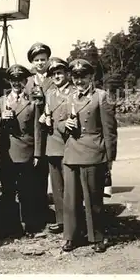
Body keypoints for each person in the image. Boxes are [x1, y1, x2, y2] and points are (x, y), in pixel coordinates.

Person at [57, 59, 117, 253]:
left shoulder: (101, 97)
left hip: (93, 152)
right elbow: (58, 124)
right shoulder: (68, 98)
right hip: (72, 152)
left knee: (93, 199)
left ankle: (98, 236)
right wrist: (64, 125)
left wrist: (109, 158)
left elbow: (110, 130)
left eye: (83, 76)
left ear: (91, 76)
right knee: (70, 200)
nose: (79, 80)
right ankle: (71, 237)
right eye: (75, 77)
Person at [0, 64, 44, 238]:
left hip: (27, 151)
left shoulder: (33, 102)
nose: (17, 83)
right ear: (9, 81)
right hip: (7, 152)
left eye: (20, 80)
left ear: (25, 81)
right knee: (8, 191)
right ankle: (10, 225)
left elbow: (38, 129)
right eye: (13, 80)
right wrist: (1, 119)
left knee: (27, 191)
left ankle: (29, 225)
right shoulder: (1, 101)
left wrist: (38, 153)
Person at [39, 58, 75, 234]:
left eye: (60, 73)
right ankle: (61, 220)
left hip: (68, 144)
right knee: (57, 186)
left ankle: (73, 221)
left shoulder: (74, 93)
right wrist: (44, 119)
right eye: (54, 74)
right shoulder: (50, 94)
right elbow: (47, 115)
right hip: (53, 144)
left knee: (71, 187)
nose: (57, 76)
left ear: (67, 74)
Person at [24, 42, 56, 228]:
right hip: (33, 134)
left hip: (51, 133)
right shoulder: (28, 82)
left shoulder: (54, 79)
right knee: (34, 176)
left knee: (49, 172)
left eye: (43, 59)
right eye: (36, 60)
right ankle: (36, 213)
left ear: (48, 60)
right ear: (31, 62)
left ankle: (49, 211)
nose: (40, 63)